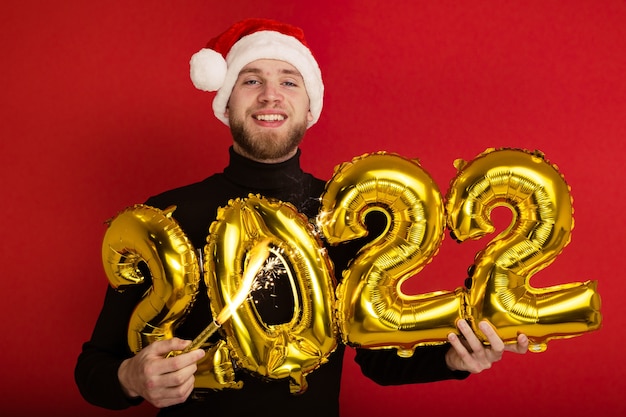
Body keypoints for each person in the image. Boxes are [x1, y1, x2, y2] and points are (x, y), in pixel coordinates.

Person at [75, 18, 529, 417]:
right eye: (251, 80)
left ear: (310, 109)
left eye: (290, 81)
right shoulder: (166, 216)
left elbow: (378, 361)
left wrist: (452, 360)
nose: (271, 94)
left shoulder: (349, 215)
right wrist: (132, 378)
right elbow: (93, 368)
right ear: (226, 104)